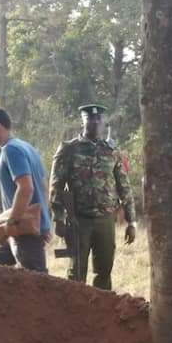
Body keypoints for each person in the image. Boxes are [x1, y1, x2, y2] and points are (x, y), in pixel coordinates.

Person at [49, 104, 136, 290]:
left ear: (103, 121)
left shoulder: (111, 151)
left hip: (105, 220)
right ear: (83, 120)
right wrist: (59, 218)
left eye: (98, 119)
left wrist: (131, 222)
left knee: (104, 271)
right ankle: (74, 313)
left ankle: (101, 313)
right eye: (89, 118)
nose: (94, 122)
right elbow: (56, 185)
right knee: (76, 272)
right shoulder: (69, 149)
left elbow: (124, 187)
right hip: (79, 220)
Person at [0, 106, 51, 272]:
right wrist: (44, 223)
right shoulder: (28, 147)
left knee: (36, 284)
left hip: (22, 229)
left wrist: (12, 221)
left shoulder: (11, 150)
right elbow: (44, 188)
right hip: (24, 227)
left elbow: (26, 188)